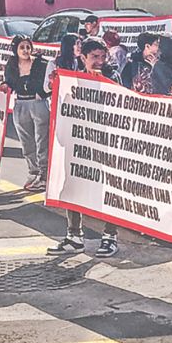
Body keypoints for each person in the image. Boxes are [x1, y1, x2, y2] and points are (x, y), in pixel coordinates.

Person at [47, 39, 122, 259]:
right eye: (94, 57)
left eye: (102, 56)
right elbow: (65, 106)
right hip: (79, 143)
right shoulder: (74, 79)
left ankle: (110, 237)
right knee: (74, 188)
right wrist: (57, 88)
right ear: (83, 58)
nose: (99, 61)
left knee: (109, 191)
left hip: (105, 143)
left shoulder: (113, 77)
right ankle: (74, 237)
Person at [3, 36, 52, 192]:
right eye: (22, 47)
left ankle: (44, 175)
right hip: (20, 104)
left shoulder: (41, 64)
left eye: (27, 47)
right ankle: (33, 172)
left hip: (38, 104)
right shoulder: (11, 64)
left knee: (42, 139)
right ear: (16, 50)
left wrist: (42, 94)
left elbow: (48, 83)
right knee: (26, 141)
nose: (25, 50)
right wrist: (5, 85)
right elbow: (9, 81)